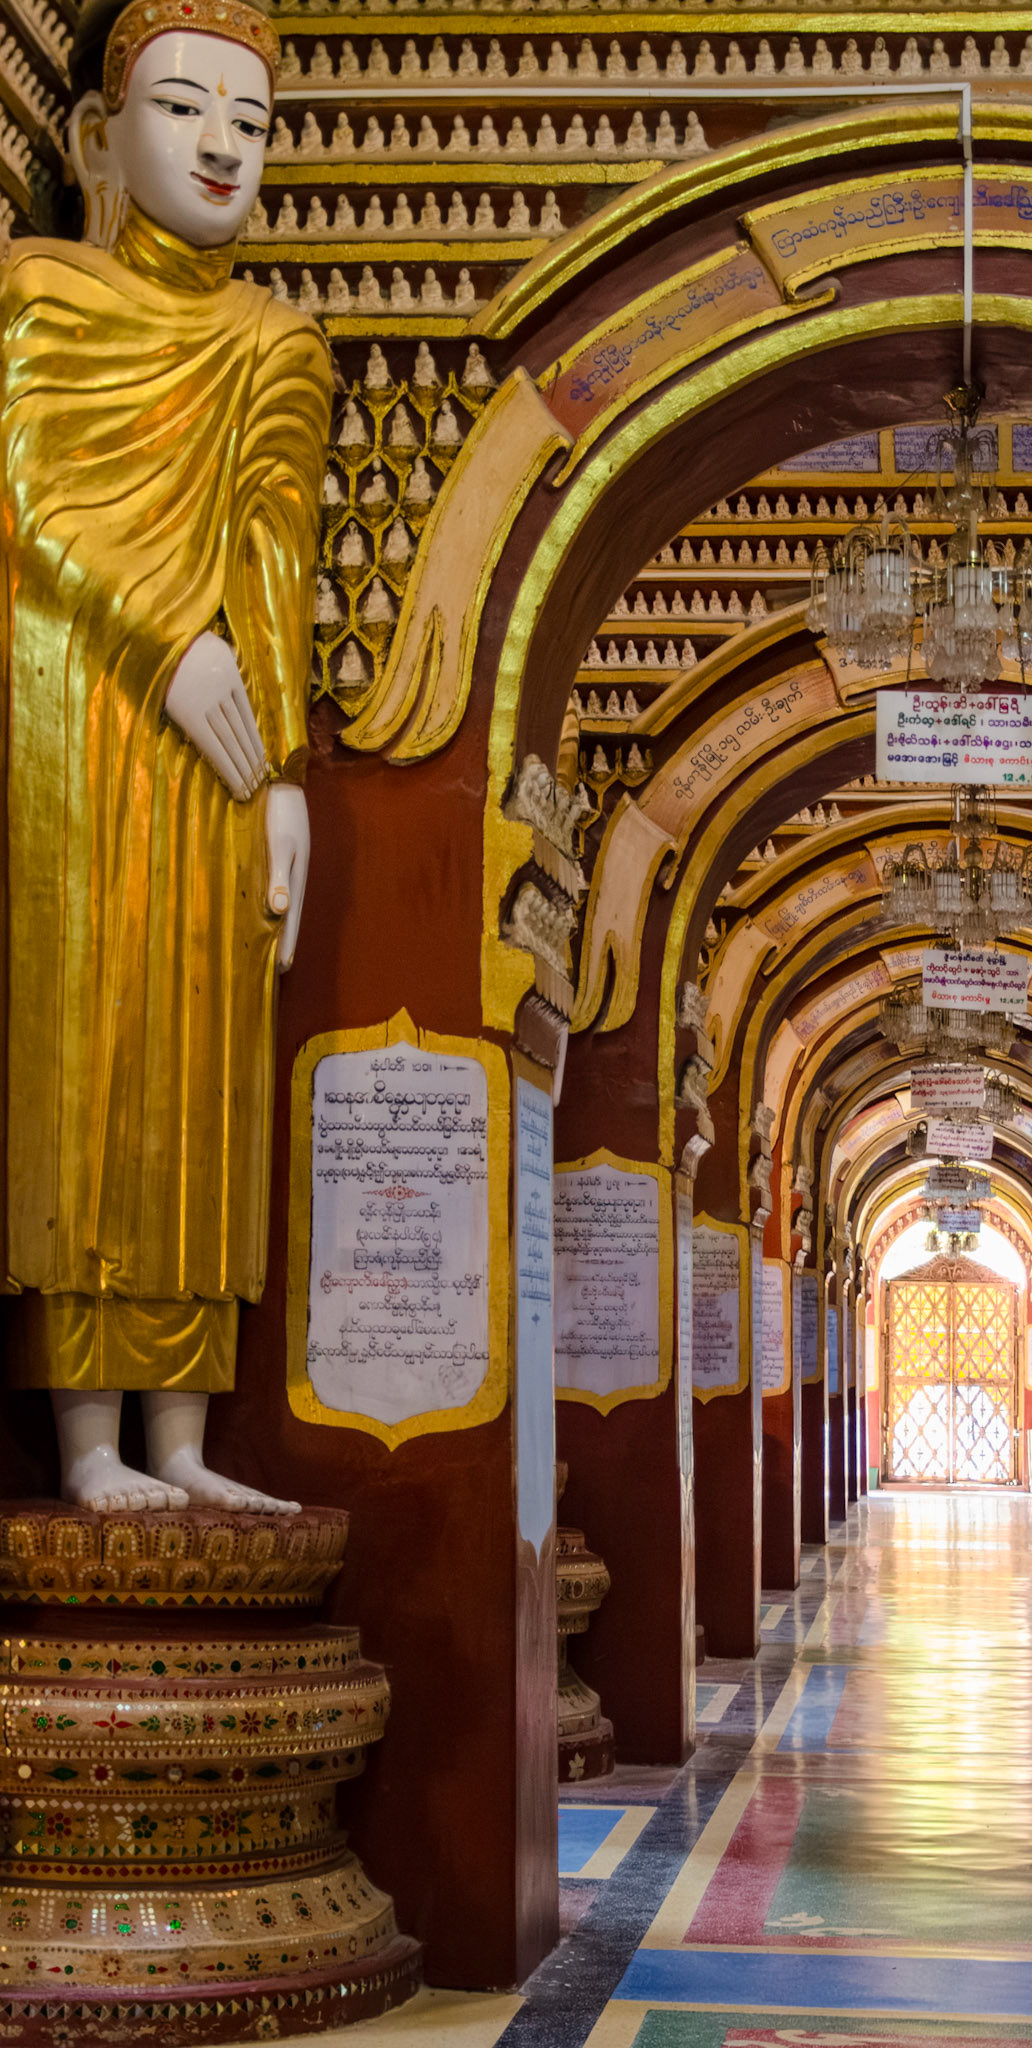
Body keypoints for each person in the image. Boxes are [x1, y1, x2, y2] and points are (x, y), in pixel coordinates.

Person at [0, 0, 332, 1513]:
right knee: (93, 1046)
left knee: (209, 1059)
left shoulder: (279, 345)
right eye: (188, 109)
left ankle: (182, 1439)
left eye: (252, 125)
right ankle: (85, 1439)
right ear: (94, 137)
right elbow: (26, 503)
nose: (220, 147)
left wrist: (281, 781)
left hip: (221, 753)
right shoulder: (40, 296)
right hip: (82, 720)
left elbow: (278, 559)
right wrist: (154, 637)